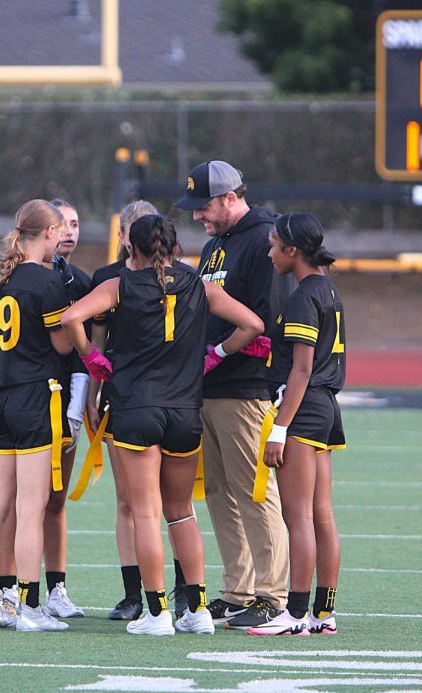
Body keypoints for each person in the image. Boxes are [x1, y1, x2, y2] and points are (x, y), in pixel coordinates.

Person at [62, 214, 264, 636]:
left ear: (130, 249)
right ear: (174, 248)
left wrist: (92, 360)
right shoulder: (200, 285)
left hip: (137, 408)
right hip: (185, 412)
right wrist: (217, 355)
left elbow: (71, 319)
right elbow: (253, 325)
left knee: (145, 512)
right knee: (181, 513)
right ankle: (199, 609)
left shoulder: (119, 285)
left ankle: (156, 613)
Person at [174, 160, 290, 630]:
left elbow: (267, 319)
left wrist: (219, 353)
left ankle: (273, 594)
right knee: (220, 491)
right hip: (213, 387)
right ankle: (238, 588)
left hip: (247, 385)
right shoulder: (216, 245)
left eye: (203, 207)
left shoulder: (263, 240)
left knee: (256, 492)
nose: (198, 216)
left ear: (228, 198)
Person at [0, 199, 74, 633]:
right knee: (30, 508)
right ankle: (31, 608)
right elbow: (64, 348)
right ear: (48, 233)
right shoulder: (46, 282)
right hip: (31, 398)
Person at [248, 213, 344, 636]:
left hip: (303, 410)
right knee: (321, 516)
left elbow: (301, 370)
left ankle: (297, 613)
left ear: (292, 250)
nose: (269, 253)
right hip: (324, 407)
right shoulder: (328, 290)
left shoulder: (304, 296)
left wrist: (279, 429)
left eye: (273, 245)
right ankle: (323, 612)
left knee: (299, 517)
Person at [85, 199, 157, 620]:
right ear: (121, 234)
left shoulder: (178, 279)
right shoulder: (107, 279)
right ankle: (135, 593)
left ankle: (185, 591)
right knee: (128, 501)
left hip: (168, 400)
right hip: (121, 397)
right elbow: (96, 345)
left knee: (172, 502)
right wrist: (92, 395)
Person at [39, 198, 90, 619]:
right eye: (62, 224)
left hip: (63, 401)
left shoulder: (82, 281)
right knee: (16, 502)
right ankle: (8, 590)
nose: (70, 231)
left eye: (75, 223)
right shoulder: (14, 277)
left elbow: (82, 354)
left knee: (55, 499)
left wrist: (77, 405)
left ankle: (56, 589)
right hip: (22, 400)